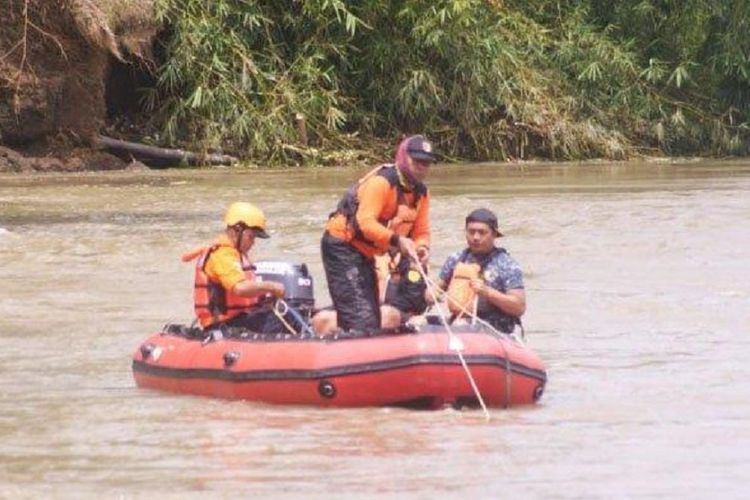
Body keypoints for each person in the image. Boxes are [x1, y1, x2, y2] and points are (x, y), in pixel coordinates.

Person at [318, 134, 437, 333]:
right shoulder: (382, 183)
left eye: (425, 163)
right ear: (403, 157)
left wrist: (421, 247)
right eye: (416, 161)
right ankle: (350, 346)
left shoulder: (422, 194)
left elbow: (421, 231)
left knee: (372, 315)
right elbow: (365, 223)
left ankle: (358, 344)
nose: (421, 167)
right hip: (342, 246)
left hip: (366, 253)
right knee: (359, 317)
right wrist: (398, 240)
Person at [182, 202, 287, 332]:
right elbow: (240, 288)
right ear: (237, 230)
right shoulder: (222, 255)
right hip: (225, 325)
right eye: (251, 236)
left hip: (240, 320)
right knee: (286, 320)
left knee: (296, 312)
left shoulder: (234, 254)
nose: (253, 242)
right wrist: (272, 287)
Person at [435, 208, 526, 333]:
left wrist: (487, 292)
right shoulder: (455, 259)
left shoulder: (507, 265)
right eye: (471, 232)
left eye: (482, 232)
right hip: (459, 319)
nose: (476, 237)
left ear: (494, 235)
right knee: (417, 322)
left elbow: (519, 307)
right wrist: (431, 294)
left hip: (496, 324)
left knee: (459, 325)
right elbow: (437, 287)